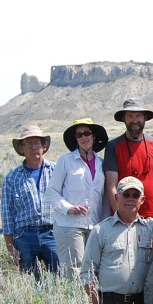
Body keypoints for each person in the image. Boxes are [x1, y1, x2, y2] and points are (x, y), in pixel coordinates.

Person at [44, 119, 108, 279]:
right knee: (75, 270)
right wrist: (68, 208)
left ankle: (92, 303)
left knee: (93, 269)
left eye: (87, 133)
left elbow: (104, 197)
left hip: (94, 224)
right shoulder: (66, 161)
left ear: (93, 136)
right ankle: (76, 303)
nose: (84, 137)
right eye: (79, 135)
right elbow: (51, 192)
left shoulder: (101, 163)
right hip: (69, 224)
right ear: (75, 139)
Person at [1, 126, 59, 277]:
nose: (34, 147)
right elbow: (7, 215)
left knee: (59, 278)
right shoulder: (12, 178)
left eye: (37, 143)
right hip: (24, 235)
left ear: (44, 147)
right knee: (30, 279)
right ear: (22, 149)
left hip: (52, 232)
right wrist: (10, 249)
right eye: (29, 144)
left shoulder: (56, 171)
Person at [104, 98, 153, 219]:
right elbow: (111, 185)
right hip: (124, 219)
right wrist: (120, 215)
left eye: (138, 116)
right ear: (124, 119)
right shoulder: (113, 146)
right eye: (130, 116)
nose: (135, 120)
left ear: (145, 118)